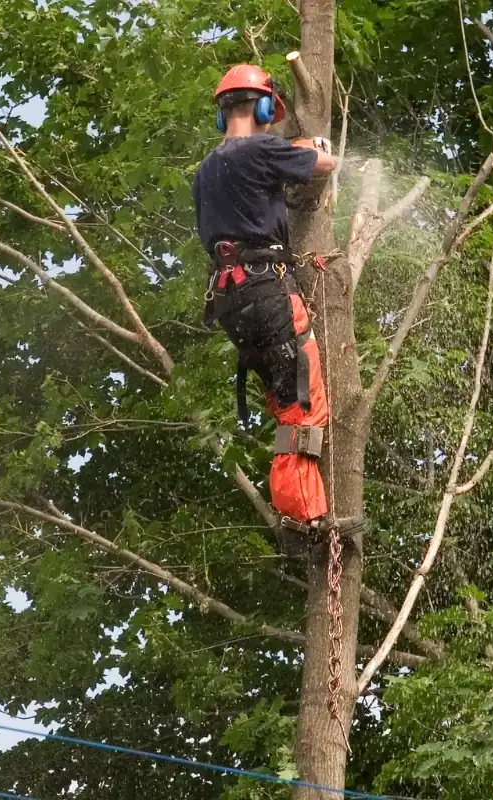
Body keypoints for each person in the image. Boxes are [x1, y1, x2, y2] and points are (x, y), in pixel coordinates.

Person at [192, 64, 338, 531]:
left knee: (283, 396)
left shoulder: (205, 170)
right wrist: (311, 149)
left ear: (222, 112)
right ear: (260, 107)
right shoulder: (261, 149)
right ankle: (304, 517)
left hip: (230, 300)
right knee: (304, 399)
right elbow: (324, 164)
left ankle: (292, 505)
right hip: (267, 285)